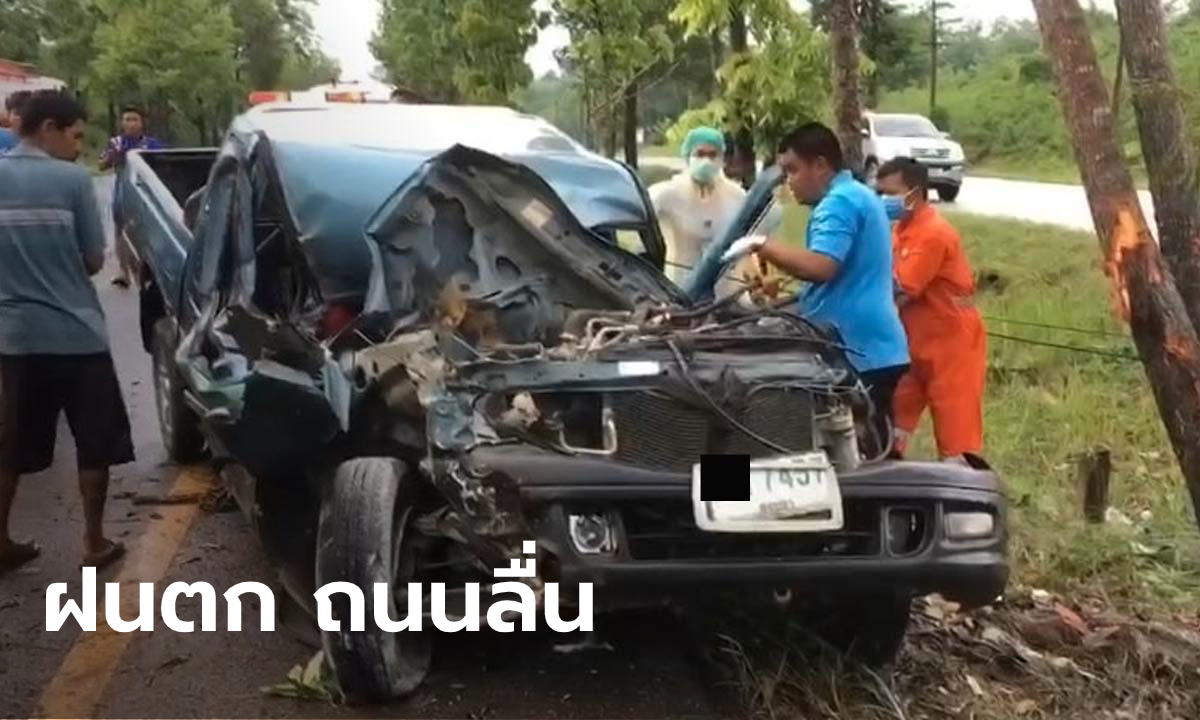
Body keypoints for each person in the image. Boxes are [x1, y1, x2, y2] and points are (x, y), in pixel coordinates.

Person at [0, 91, 133, 574]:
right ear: (49, 128)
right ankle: (94, 542)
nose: (79, 147)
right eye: (75, 135)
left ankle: (1, 540)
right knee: (93, 442)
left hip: (14, 339)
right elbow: (95, 259)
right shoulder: (72, 180)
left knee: (12, 445)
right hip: (77, 335)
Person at [722, 122, 910, 448]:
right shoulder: (858, 194)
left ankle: (726, 493)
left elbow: (822, 267)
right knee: (865, 451)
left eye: (792, 170)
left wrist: (761, 245)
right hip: (873, 346)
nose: (789, 182)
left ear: (820, 165)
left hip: (856, 350)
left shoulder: (839, 202)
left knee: (853, 457)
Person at [876, 157, 986, 464]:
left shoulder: (933, 234)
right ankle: (887, 480)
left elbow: (900, 291)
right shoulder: (901, 230)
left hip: (951, 345)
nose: (885, 200)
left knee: (956, 437)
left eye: (891, 192)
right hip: (912, 345)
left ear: (915, 192)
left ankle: (963, 499)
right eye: (880, 192)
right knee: (891, 426)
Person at [650, 126, 781, 298]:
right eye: (700, 154)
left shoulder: (736, 195)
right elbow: (637, 212)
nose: (706, 160)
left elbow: (760, 232)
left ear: (722, 158)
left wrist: (765, 275)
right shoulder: (667, 193)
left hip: (728, 295)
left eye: (713, 155)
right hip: (680, 289)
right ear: (688, 156)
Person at [99, 105, 164, 288]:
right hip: (123, 188)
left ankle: (148, 268)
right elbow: (101, 165)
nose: (130, 124)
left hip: (145, 191)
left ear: (142, 123)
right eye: (127, 119)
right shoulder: (116, 143)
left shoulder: (151, 144)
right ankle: (123, 271)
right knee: (120, 229)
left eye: (134, 119)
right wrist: (113, 156)